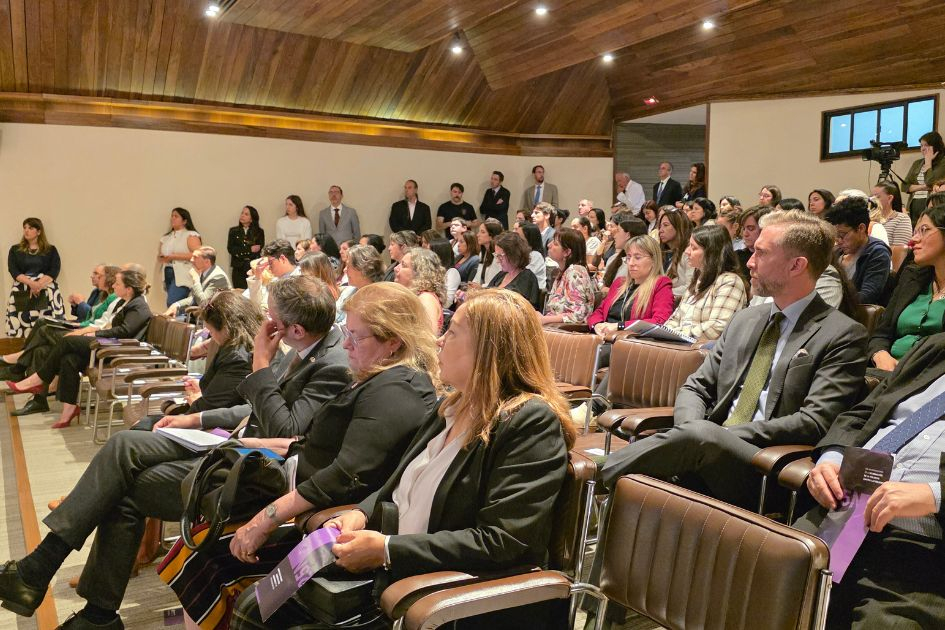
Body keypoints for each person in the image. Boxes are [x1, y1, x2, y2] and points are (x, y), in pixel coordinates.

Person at [0, 276, 350, 630]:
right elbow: (254, 410)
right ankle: (76, 600)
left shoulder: (331, 364)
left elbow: (285, 432)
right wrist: (194, 417)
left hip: (258, 473)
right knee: (125, 459)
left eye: (269, 315)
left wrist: (260, 364)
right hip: (234, 449)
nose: (262, 320)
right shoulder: (300, 346)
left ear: (295, 329)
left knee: (124, 483)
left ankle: (63, 590)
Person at [229, 289, 575, 629]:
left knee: (262, 614)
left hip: (440, 592)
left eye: (452, 333)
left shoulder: (529, 421)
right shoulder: (453, 406)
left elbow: (503, 541)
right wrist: (359, 514)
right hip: (394, 569)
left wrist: (388, 549)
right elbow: (397, 484)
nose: (440, 341)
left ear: (487, 350)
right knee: (258, 604)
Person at [161, 283, 440, 630]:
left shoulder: (395, 389)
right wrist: (256, 446)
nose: (347, 345)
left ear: (394, 342)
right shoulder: (378, 377)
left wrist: (266, 519)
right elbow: (309, 443)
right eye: (346, 332)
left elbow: (345, 474)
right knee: (203, 537)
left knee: (208, 554)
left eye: (357, 337)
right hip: (307, 496)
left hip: (325, 521)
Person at [597, 209, 868, 513]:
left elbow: (814, 421)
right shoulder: (746, 320)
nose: (749, 262)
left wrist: (717, 436)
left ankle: (593, 476)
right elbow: (696, 387)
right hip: (705, 447)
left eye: (760, 254)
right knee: (636, 491)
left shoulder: (842, 334)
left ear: (796, 265)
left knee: (689, 444)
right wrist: (691, 435)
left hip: (764, 466)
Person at [794, 331, 945, 629]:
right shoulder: (934, 348)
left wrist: (935, 495)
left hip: (925, 545)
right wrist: (832, 458)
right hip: (844, 509)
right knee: (763, 586)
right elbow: (863, 413)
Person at [6, 269, 152, 430]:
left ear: (129, 288)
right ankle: (69, 409)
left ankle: (38, 379)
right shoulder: (123, 301)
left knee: (67, 341)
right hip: (107, 344)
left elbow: (124, 331)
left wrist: (92, 333)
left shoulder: (139, 306)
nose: (114, 286)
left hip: (117, 350)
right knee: (69, 359)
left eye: (118, 284)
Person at [131, 291, 261, 431]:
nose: (211, 336)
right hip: (205, 417)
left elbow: (212, 408)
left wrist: (197, 400)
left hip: (212, 428)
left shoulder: (237, 358)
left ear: (225, 328)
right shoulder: (236, 346)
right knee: (141, 425)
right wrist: (201, 389)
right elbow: (224, 393)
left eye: (211, 331)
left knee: (134, 432)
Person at [868, 204, 945, 373]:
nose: (913, 240)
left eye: (924, 230)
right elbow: (881, 333)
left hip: (932, 378)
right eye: (915, 231)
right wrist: (880, 354)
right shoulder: (912, 278)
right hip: (887, 373)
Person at [664, 224, 747, 341]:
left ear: (711, 253)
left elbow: (719, 326)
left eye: (694, 248)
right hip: (681, 345)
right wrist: (663, 333)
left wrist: (678, 335)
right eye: (689, 246)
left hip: (704, 351)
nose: (687, 252)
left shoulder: (730, 281)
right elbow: (675, 318)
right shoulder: (697, 279)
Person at [587, 235, 674, 336]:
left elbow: (659, 321)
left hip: (632, 345)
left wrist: (620, 326)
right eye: (628, 257)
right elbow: (599, 312)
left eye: (637, 257)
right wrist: (596, 325)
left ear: (654, 260)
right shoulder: (619, 283)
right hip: (604, 338)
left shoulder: (661, 284)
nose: (631, 263)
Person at [824, 196, 892, 305]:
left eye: (842, 235)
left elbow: (868, 295)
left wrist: (831, 302)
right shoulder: (837, 253)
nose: (838, 240)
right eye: (835, 235)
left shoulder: (877, 253)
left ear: (861, 228)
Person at [6, 218, 64, 337]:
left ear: (38, 231)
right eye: (25, 228)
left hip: (46, 290)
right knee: (23, 326)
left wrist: (38, 284)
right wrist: (31, 284)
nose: (26, 231)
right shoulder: (15, 250)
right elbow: (14, 270)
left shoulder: (51, 250)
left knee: (46, 327)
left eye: (30, 228)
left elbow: (54, 270)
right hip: (22, 290)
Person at [541, 228, 595, 325]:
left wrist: (544, 319)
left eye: (555, 244)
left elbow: (578, 315)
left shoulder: (575, 272)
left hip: (569, 333)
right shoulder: (563, 272)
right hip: (554, 328)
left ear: (567, 252)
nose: (549, 245)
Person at [163, 247, 231, 318]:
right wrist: (177, 304)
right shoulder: (204, 272)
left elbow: (204, 304)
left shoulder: (218, 277)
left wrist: (196, 280)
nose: (191, 260)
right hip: (204, 316)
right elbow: (195, 298)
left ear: (207, 262)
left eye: (195, 257)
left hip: (216, 319)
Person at [396, 248, 447, 334]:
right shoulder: (415, 297)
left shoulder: (426, 299)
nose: (396, 268)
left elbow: (427, 340)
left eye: (403, 265)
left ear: (419, 273)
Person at [158, 207, 202, 307]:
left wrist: (174, 256)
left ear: (185, 221)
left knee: (173, 302)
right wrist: (162, 257)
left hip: (183, 272)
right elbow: (161, 254)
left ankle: (179, 321)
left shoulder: (190, 235)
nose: (172, 218)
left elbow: (198, 253)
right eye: (172, 216)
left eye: (176, 216)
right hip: (168, 271)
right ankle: (178, 320)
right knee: (173, 303)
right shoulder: (166, 237)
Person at [244, 240, 300, 313]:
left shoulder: (302, 278)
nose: (269, 268)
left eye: (270, 263)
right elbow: (256, 304)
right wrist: (258, 277)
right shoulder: (274, 281)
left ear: (282, 259)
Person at [902, 131, 945, 224]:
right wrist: (924, 187)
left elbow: (931, 182)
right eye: (921, 146)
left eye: (926, 145)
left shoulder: (943, 162)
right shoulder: (917, 163)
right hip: (913, 205)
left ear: (936, 146)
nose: (923, 149)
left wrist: (928, 162)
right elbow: (904, 186)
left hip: (930, 205)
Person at [335, 244, 384, 325]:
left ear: (363, 268)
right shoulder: (349, 290)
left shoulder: (379, 299)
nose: (344, 270)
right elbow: (332, 314)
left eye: (348, 266)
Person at [598, 217, 648, 290]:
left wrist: (609, 292)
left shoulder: (639, 265)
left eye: (618, 231)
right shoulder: (613, 258)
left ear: (628, 235)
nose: (615, 235)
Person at [227, 206, 265, 291]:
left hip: (252, 267)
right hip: (238, 267)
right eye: (242, 213)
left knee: (253, 291)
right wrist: (249, 250)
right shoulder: (233, 231)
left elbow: (259, 250)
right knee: (239, 292)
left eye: (246, 214)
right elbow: (231, 249)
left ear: (252, 219)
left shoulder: (259, 232)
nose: (242, 216)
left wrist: (242, 251)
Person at [658, 208, 694, 298]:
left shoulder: (689, 253)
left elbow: (691, 287)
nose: (660, 230)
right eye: (660, 226)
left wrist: (661, 293)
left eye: (665, 225)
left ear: (679, 227)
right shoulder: (661, 253)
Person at [871, 182, 913, 246]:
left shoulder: (902, 219)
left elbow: (899, 251)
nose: (872, 200)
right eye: (871, 197)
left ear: (890, 198)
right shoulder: (868, 218)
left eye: (877, 197)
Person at [734, 204, 769, 274]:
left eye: (750, 229)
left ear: (764, 229)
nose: (745, 234)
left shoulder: (772, 258)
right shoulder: (736, 257)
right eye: (744, 229)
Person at [428, 238, 462, 308]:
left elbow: (447, 303)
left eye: (429, 252)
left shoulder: (452, 273)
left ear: (438, 254)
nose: (426, 256)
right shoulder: (429, 270)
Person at [514, 221, 548, 289]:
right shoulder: (519, 253)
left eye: (519, 237)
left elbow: (522, 277)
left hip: (531, 293)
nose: (515, 240)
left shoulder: (536, 256)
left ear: (529, 240)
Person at [472, 220, 503, 288]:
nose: (477, 235)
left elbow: (497, 282)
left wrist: (481, 287)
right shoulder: (483, 253)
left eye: (482, 232)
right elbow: (478, 278)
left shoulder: (498, 255)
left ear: (492, 236)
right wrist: (472, 285)